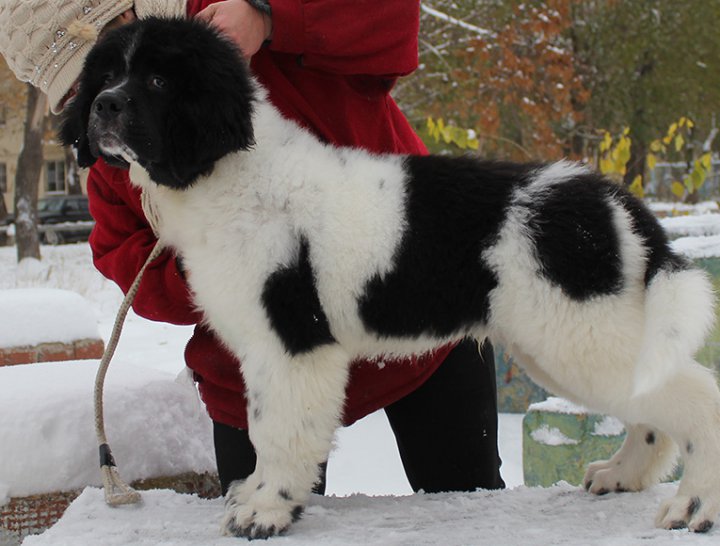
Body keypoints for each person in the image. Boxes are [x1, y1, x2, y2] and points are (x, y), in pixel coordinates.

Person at [0, 0, 505, 496]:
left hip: (413, 317)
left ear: (129, 17)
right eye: (84, 88)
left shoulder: (228, 13)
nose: (111, 93)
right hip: (259, 375)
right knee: (261, 522)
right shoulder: (111, 143)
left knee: (469, 513)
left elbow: (391, 20)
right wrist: (225, 262)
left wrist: (269, 18)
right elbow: (122, 255)